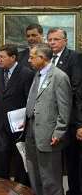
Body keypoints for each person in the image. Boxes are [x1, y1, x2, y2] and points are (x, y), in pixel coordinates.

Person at [25, 43, 72, 195]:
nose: (29, 60)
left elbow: (64, 109)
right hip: (31, 131)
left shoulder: (59, 77)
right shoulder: (37, 74)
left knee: (50, 179)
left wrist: (59, 132)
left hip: (49, 134)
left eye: (32, 57)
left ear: (42, 58)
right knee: (35, 176)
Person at [0, 44, 34, 185]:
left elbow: (29, 100)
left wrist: (26, 121)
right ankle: (2, 186)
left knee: (20, 158)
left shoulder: (26, 73)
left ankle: (21, 187)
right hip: (2, 124)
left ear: (13, 57)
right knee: (2, 156)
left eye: (2, 57)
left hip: (19, 125)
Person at [46, 27, 82, 195]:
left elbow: (77, 89)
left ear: (65, 41)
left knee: (72, 160)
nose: (52, 42)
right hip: (51, 119)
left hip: (71, 118)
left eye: (56, 39)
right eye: (50, 39)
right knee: (53, 160)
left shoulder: (74, 58)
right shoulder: (46, 59)